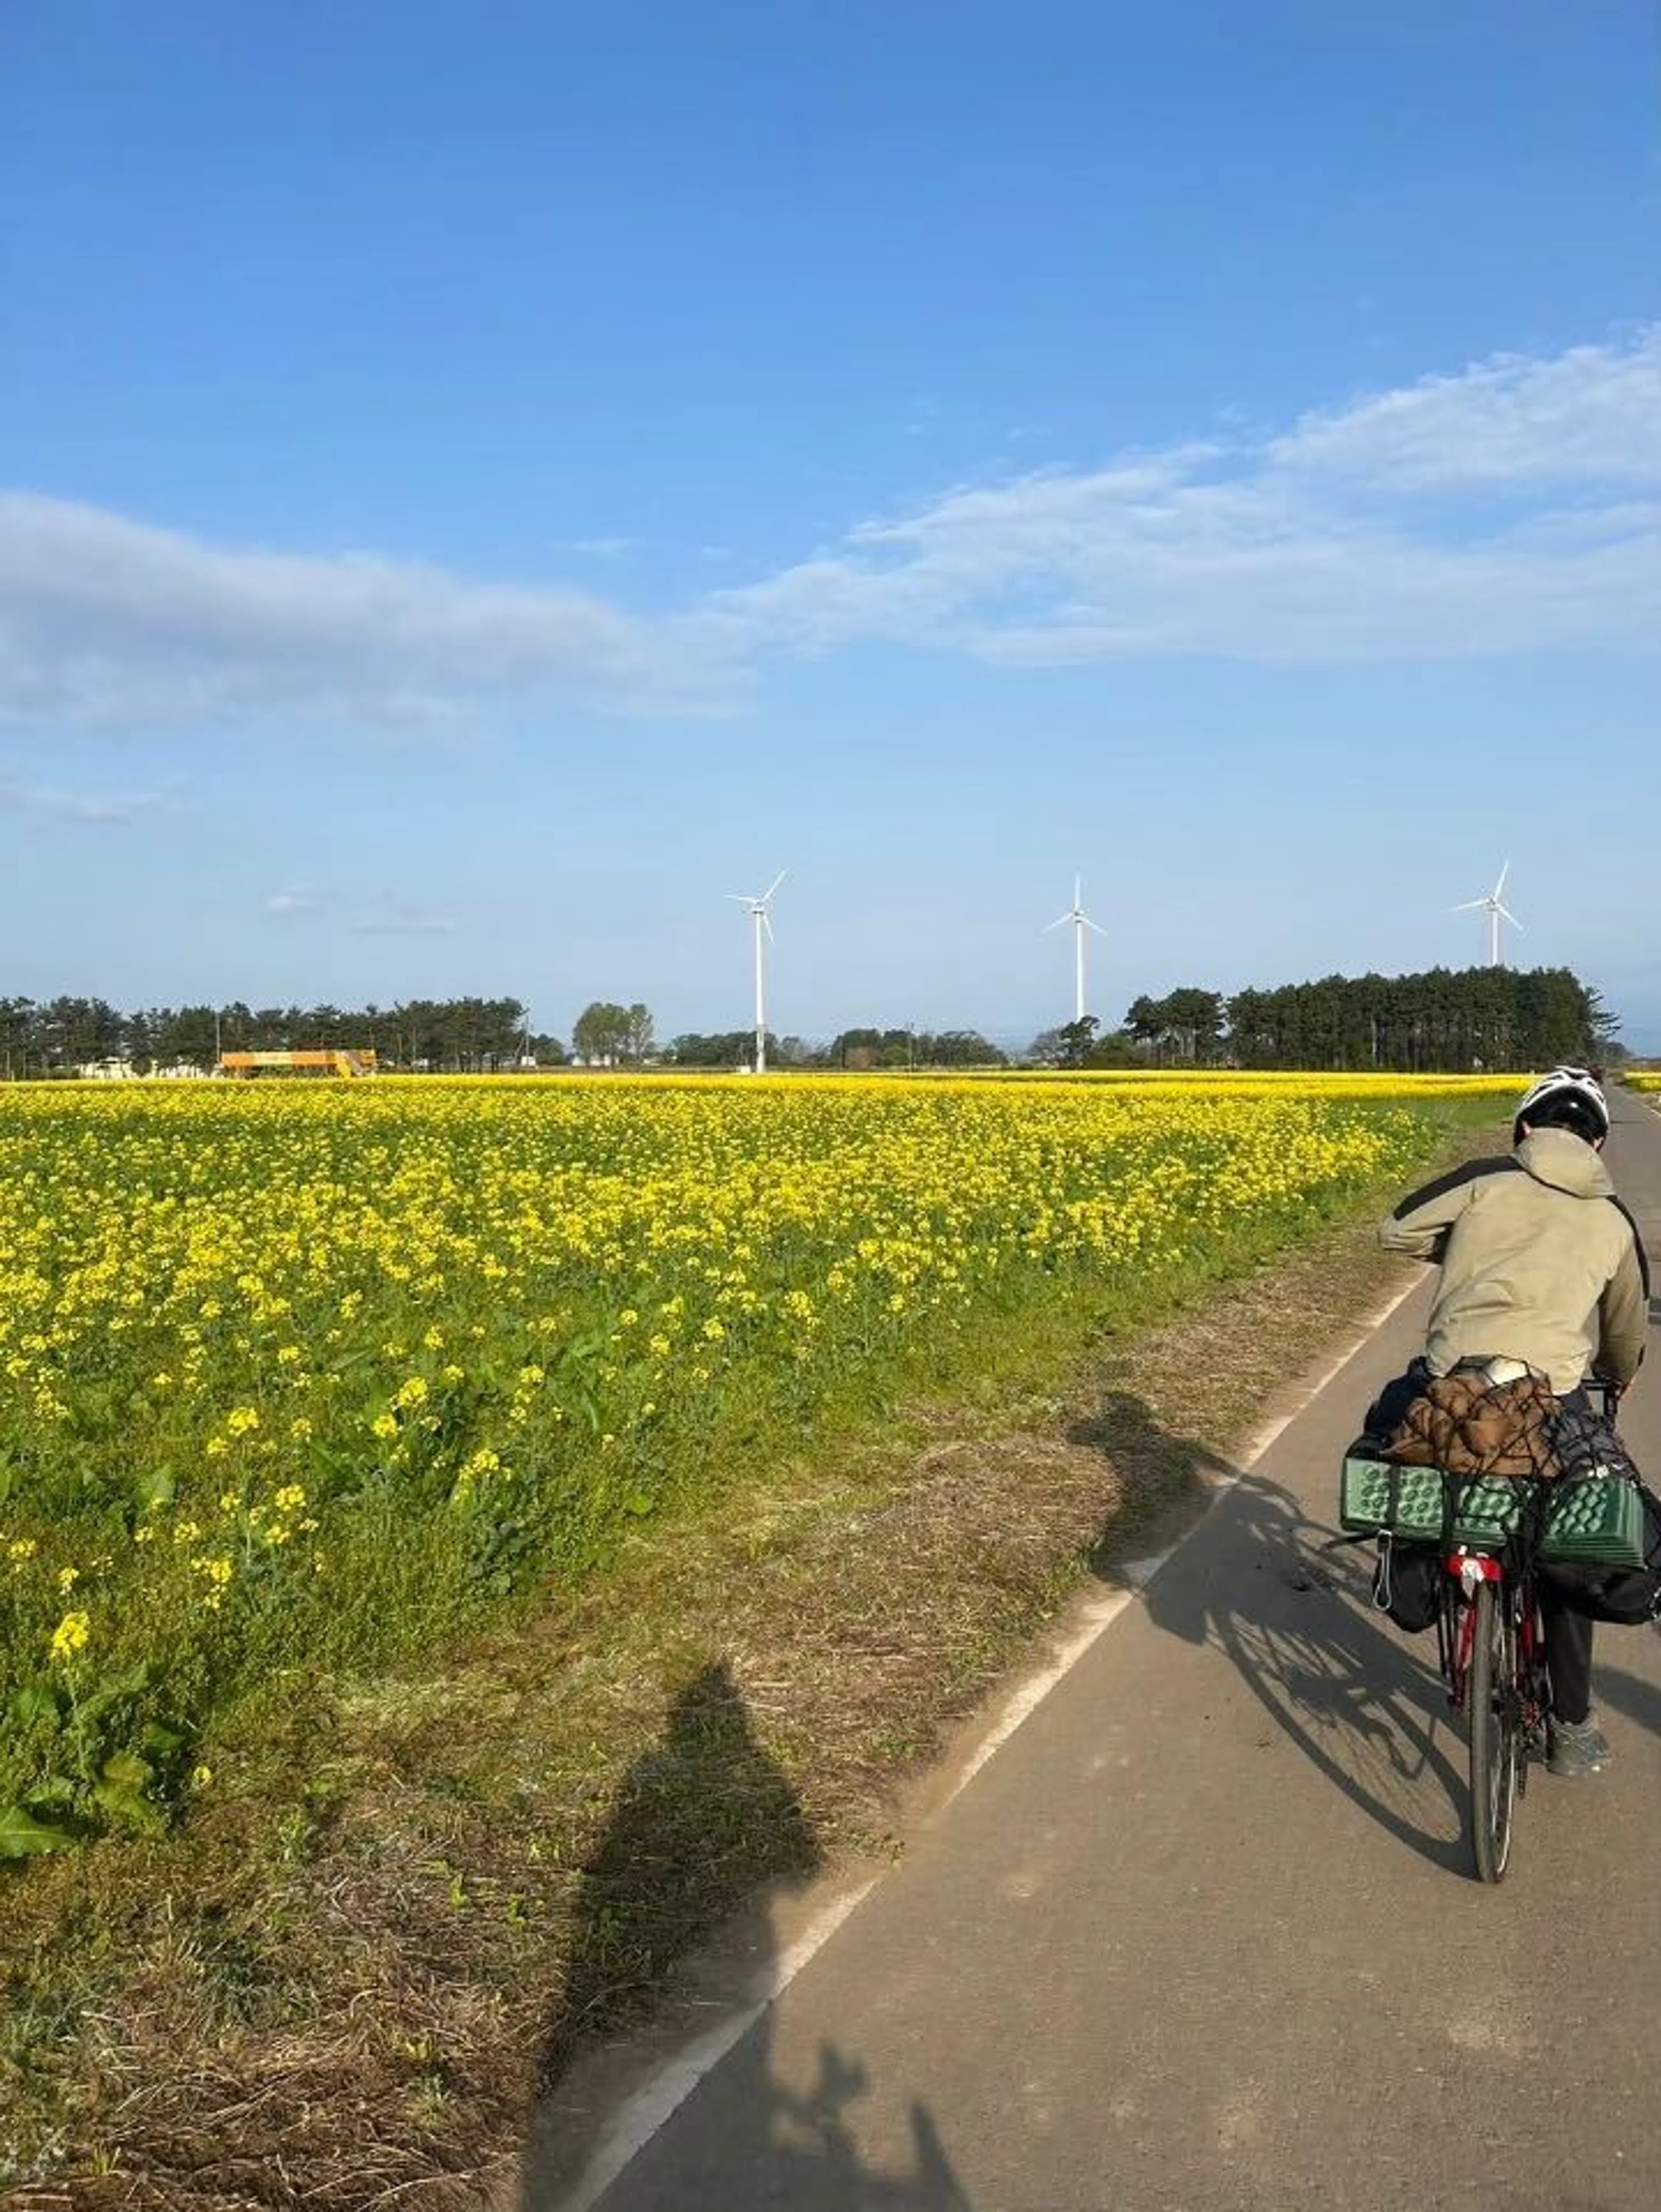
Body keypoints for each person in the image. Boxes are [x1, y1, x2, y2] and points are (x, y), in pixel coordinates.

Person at [1372, 1066, 1649, 1777]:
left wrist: (1462, 1247)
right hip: (1551, 1399)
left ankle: (1409, 1565)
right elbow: (1624, 1332)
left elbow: (1395, 1229)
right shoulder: (1614, 1218)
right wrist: (1618, 1375)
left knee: (1388, 1430)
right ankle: (1573, 1725)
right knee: (1569, 1536)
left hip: (1454, 1378)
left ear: (1525, 1128)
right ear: (1599, 1141)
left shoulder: (1485, 1178)